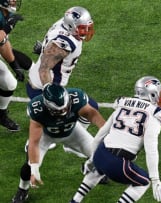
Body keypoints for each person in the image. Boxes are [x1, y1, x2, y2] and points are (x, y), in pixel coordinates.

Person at [69, 76, 161, 203]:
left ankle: (75, 200)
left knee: (98, 170)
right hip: (117, 162)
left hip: (101, 153)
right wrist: (155, 180)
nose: (160, 96)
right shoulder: (155, 115)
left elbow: (101, 134)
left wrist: (92, 158)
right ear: (151, 94)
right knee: (143, 182)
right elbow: (151, 149)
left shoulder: (123, 104)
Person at [11, 83, 105, 203]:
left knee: (100, 156)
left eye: (66, 107)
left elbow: (93, 114)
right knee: (29, 167)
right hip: (46, 137)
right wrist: (34, 168)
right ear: (47, 106)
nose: (64, 111)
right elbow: (34, 142)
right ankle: (22, 189)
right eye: (59, 110)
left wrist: (105, 130)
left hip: (73, 132)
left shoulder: (76, 97)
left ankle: (88, 167)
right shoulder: (37, 109)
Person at [25, 6, 95, 151]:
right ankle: (35, 145)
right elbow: (44, 68)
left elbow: (50, 50)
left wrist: (44, 50)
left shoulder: (62, 26)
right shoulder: (65, 42)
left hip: (40, 83)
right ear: (71, 26)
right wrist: (49, 94)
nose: (86, 31)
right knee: (88, 108)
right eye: (82, 28)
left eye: (87, 27)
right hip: (43, 87)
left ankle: (69, 140)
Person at [0, 0, 32, 131]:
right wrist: (8, 27)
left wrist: (14, 65)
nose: (14, 1)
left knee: (9, 83)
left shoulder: (4, 15)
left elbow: (3, 42)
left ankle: (1, 116)